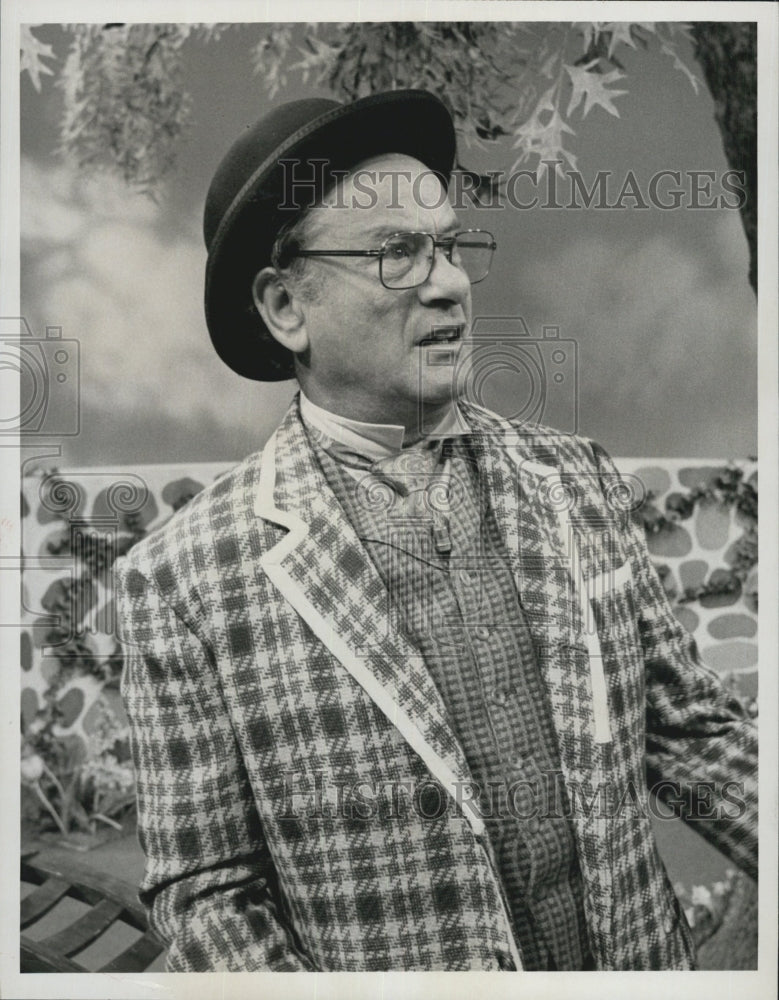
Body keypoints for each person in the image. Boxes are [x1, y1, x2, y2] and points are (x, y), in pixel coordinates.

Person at [116, 90, 757, 972]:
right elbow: (208, 892)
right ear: (284, 307)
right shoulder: (183, 580)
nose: (449, 283)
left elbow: (691, 736)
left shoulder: (574, 477)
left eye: (450, 247)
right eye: (396, 253)